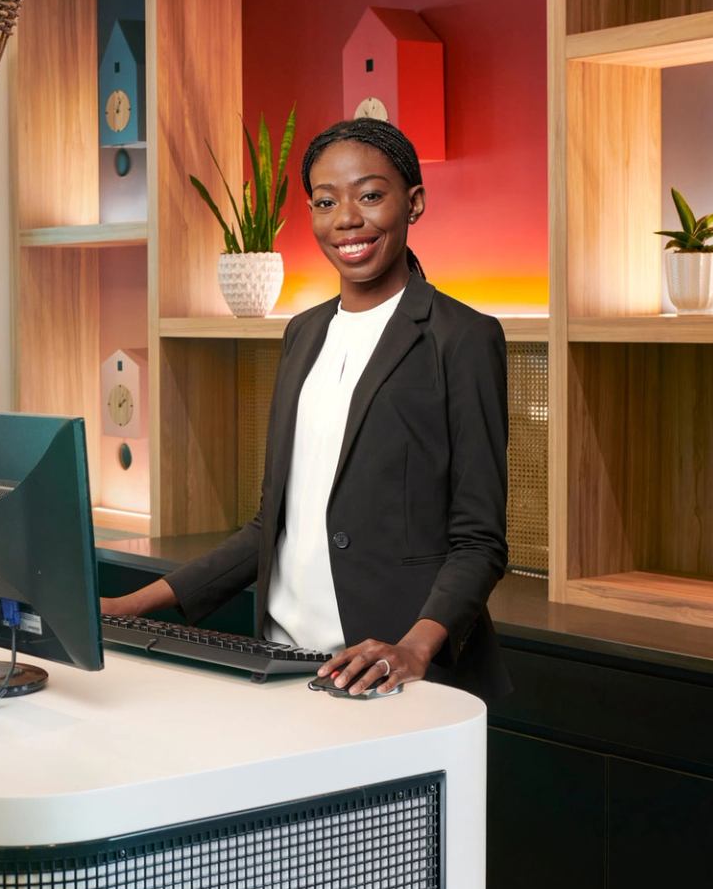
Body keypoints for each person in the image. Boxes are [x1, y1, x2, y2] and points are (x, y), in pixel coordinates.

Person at [103, 118, 511, 699]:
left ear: (414, 202)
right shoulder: (303, 333)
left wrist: (412, 649)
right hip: (282, 667)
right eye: (326, 201)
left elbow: (480, 540)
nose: (347, 218)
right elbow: (275, 524)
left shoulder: (463, 338)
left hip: (393, 676)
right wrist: (132, 606)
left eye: (371, 195)